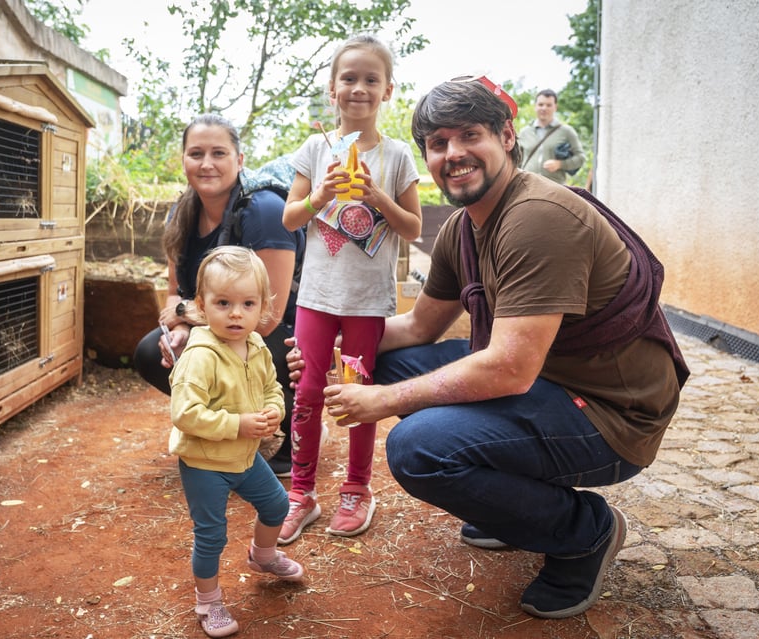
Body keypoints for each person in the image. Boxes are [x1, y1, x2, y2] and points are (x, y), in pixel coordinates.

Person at [297, 76, 689, 618]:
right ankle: (516, 506)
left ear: (507, 136)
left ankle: (584, 533)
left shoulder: (539, 218)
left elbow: (508, 368)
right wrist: (328, 355)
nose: (453, 154)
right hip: (545, 383)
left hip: (609, 413)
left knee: (420, 448)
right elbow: (416, 330)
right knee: (380, 358)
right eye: (438, 144)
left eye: (469, 136)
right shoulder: (463, 228)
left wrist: (386, 400)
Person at [278, 34, 422, 544]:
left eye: (370, 80)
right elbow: (290, 216)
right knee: (308, 392)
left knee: (359, 395)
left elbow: (412, 228)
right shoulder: (316, 149)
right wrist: (321, 194)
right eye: (348, 78)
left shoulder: (398, 155)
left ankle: (357, 488)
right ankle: (300, 493)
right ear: (332, 89)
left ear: (387, 91)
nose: (358, 88)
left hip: (366, 303)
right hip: (316, 296)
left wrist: (377, 195)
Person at [133, 113, 305, 478]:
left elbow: (267, 314)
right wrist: (176, 331)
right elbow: (173, 294)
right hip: (216, 323)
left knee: (256, 343)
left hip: (282, 332)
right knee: (153, 352)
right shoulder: (181, 213)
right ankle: (228, 425)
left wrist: (184, 318)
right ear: (183, 160)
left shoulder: (264, 211)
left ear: (239, 161)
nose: (207, 164)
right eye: (196, 153)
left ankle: (288, 433)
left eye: (219, 153)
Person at [169, 246, 305, 638]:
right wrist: (239, 424)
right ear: (200, 305)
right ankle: (208, 602)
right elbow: (185, 414)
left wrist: (274, 411)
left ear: (262, 306)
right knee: (211, 534)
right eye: (223, 302)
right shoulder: (200, 357)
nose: (235, 313)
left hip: (244, 457)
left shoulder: (257, 345)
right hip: (204, 462)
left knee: (277, 503)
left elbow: (272, 388)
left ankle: (263, 557)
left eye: (247, 303)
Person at [517, 89, 585, 184]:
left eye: (549, 105)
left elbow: (580, 158)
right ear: (535, 106)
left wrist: (560, 164)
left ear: (555, 107)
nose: (544, 108)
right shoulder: (525, 132)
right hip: (527, 186)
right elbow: (516, 161)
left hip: (555, 188)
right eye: (541, 104)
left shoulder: (566, 131)